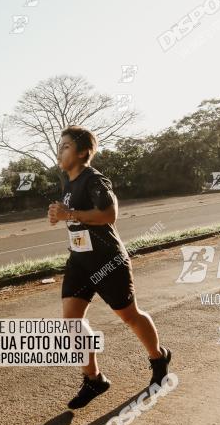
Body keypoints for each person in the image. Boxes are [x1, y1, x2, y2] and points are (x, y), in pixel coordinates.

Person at [48, 126, 171, 409]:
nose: (59, 150)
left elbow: (109, 214)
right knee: (71, 322)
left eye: (65, 146)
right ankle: (94, 378)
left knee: (129, 316)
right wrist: (60, 215)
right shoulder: (68, 183)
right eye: (59, 145)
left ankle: (158, 356)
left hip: (108, 261)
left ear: (82, 153)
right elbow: (76, 219)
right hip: (79, 261)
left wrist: (71, 214)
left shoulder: (95, 179)